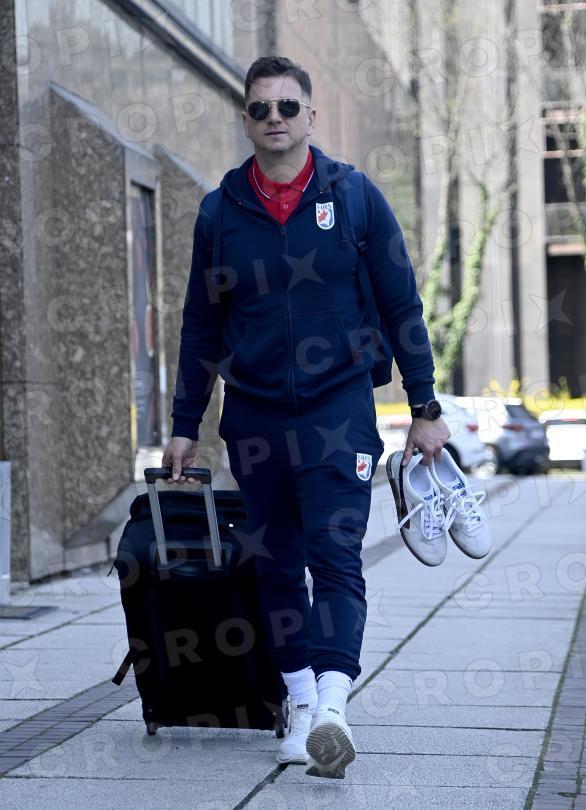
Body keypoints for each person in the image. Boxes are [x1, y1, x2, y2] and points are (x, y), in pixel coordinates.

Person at [162, 55, 450, 779]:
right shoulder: (220, 213)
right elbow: (200, 327)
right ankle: (297, 701)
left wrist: (424, 406)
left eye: (288, 106)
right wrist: (184, 423)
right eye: (261, 108)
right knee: (276, 562)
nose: (275, 119)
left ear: (311, 116)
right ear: (246, 120)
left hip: (339, 409)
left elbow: (402, 304)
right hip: (255, 418)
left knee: (336, 555)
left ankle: (332, 707)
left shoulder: (353, 197)